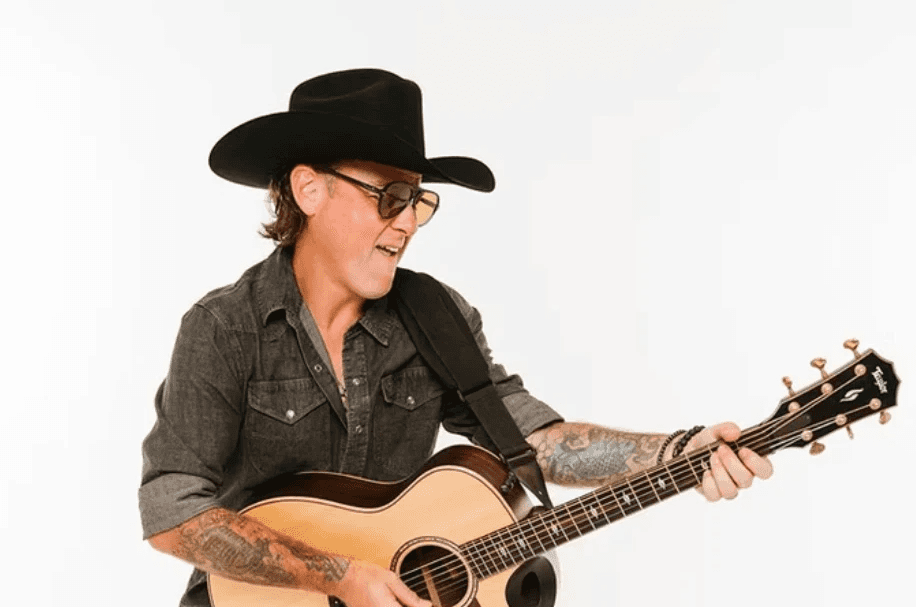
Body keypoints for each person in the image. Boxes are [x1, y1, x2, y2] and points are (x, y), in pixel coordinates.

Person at [139, 68, 774, 607]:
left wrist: (676, 452)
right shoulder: (224, 328)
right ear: (309, 189)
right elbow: (171, 510)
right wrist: (338, 576)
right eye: (389, 196)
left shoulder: (437, 317)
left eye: (418, 201)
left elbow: (533, 441)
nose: (408, 223)